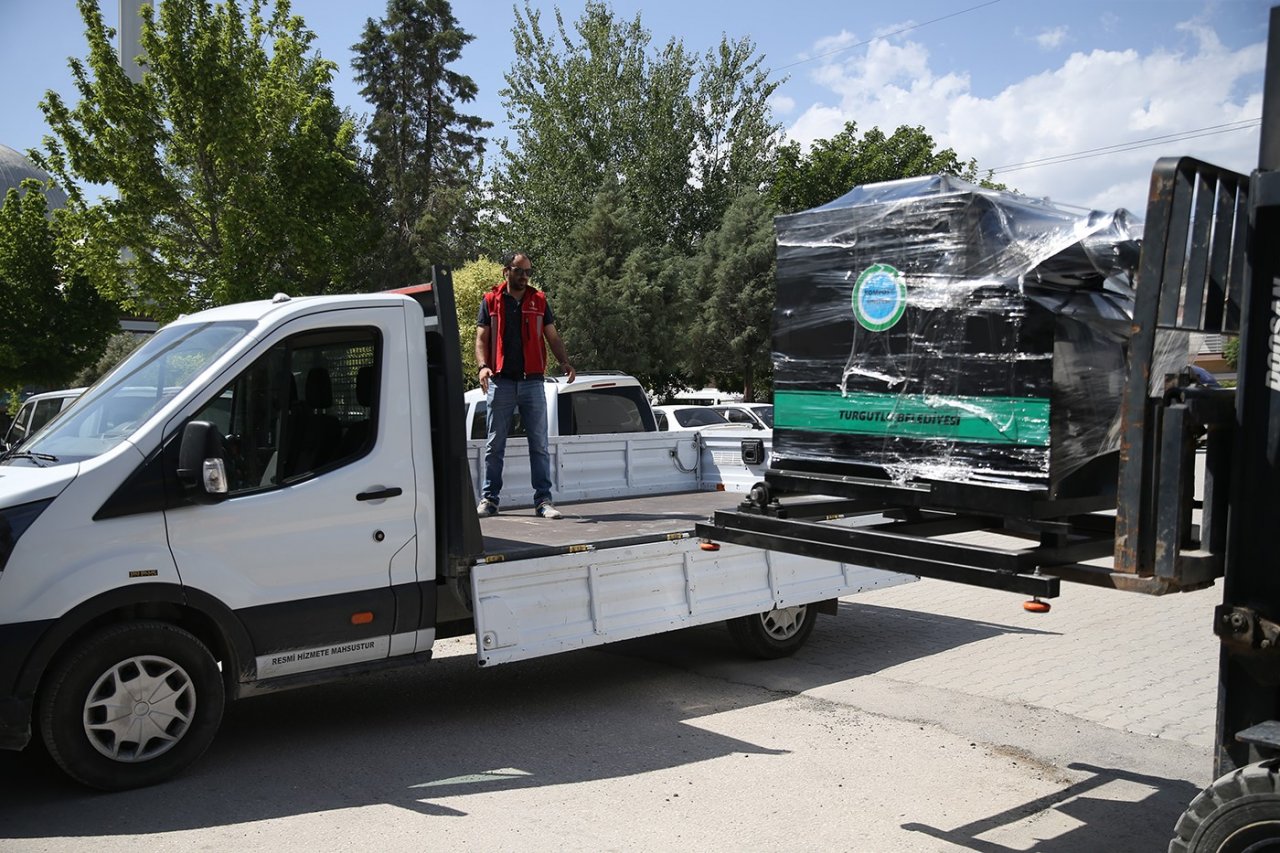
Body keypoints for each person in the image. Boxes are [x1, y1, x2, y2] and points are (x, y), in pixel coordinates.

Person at [475, 252, 576, 519]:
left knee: (539, 444)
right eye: (519, 271)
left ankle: (543, 501)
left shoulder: (539, 300)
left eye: (528, 272)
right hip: (501, 382)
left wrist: (564, 362)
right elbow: (481, 338)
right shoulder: (490, 300)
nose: (524, 276)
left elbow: (552, 336)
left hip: (532, 382)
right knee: (494, 445)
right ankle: (489, 500)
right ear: (505, 271)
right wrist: (483, 366)